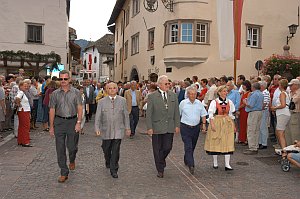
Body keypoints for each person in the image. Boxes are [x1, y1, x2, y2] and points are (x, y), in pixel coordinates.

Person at [49, 70, 83, 183]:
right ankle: (64, 172)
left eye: (65, 79)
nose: (63, 81)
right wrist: (51, 126)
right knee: (60, 148)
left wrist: (79, 122)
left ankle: (72, 159)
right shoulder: (54, 94)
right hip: (59, 122)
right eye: (61, 79)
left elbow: (80, 107)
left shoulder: (76, 92)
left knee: (72, 147)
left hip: (72, 121)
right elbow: (52, 110)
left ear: (69, 80)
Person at [146, 75, 180, 178]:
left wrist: (177, 125)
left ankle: (161, 159)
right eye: (166, 84)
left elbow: (176, 112)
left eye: (169, 83)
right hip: (156, 127)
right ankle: (160, 169)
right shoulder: (152, 96)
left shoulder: (173, 96)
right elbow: (149, 113)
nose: (168, 85)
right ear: (159, 85)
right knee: (157, 149)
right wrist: (149, 127)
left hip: (169, 126)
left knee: (167, 147)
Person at [95, 82, 130, 178]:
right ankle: (108, 159)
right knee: (106, 148)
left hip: (118, 129)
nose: (112, 90)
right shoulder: (102, 102)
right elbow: (98, 116)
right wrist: (97, 128)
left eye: (114, 88)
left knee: (116, 149)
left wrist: (128, 128)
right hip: (106, 129)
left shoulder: (122, 100)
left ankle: (114, 168)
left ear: (117, 89)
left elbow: (126, 115)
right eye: (110, 88)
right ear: (106, 90)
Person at [204, 85, 235, 171]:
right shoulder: (215, 102)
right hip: (217, 122)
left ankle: (227, 164)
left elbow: (231, 115)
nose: (226, 93)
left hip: (227, 123)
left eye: (226, 91)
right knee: (216, 140)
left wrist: (233, 125)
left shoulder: (230, 102)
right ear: (219, 92)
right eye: (224, 91)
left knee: (228, 141)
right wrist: (212, 124)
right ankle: (215, 162)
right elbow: (210, 114)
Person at [179, 86, 207, 174]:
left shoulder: (199, 103)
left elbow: (203, 114)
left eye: (194, 94)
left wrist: (204, 124)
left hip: (195, 128)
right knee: (188, 145)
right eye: (191, 94)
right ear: (188, 94)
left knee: (192, 146)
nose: (193, 96)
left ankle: (187, 158)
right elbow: (179, 114)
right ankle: (191, 164)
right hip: (185, 127)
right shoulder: (183, 103)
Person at [270, 79, 291, 154]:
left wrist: (274, 108)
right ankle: (284, 149)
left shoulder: (282, 93)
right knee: (280, 131)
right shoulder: (286, 93)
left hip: (282, 113)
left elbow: (283, 105)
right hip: (283, 113)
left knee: (280, 132)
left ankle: (284, 151)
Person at [243, 82, 264, 155]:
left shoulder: (254, 94)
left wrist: (245, 102)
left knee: (251, 130)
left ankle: (252, 147)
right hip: (259, 112)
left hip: (253, 112)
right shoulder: (261, 94)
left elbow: (250, 105)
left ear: (253, 87)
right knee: (256, 130)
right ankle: (255, 146)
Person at [14, 81, 32, 147]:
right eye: (25, 86)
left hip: (23, 111)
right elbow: (17, 98)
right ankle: (25, 141)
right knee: (25, 126)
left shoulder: (22, 92)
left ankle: (21, 140)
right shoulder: (21, 92)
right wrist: (19, 104)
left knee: (22, 126)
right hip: (23, 111)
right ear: (20, 86)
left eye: (27, 86)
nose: (26, 87)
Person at [285, 79, 300, 145]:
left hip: (295, 113)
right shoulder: (290, 92)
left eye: (291, 85)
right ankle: (289, 148)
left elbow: (293, 101)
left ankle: (295, 149)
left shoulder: (298, 93)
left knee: (294, 132)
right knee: (288, 132)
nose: (290, 87)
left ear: (296, 85)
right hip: (289, 113)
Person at [238, 80, 251, 144]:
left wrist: (238, 108)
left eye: (244, 85)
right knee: (242, 124)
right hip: (242, 110)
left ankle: (245, 139)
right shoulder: (243, 93)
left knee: (245, 124)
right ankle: (242, 138)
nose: (242, 86)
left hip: (245, 110)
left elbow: (245, 103)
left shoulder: (248, 93)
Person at [258, 81, 270, 149]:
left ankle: (264, 143)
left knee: (263, 127)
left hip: (263, 111)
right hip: (261, 110)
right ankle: (260, 142)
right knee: (260, 127)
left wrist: (258, 107)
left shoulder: (265, 93)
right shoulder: (263, 92)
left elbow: (264, 104)